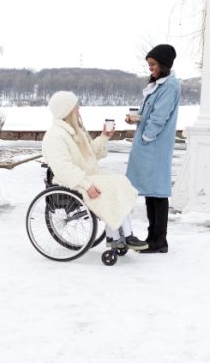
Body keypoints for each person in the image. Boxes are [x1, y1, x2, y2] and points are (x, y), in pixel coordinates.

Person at [42, 91, 147, 250]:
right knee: (110, 186)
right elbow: (63, 168)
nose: (78, 109)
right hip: (73, 182)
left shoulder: (75, 131)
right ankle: (123, 235)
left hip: (88, 176)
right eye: (75, 106)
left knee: (119, 181)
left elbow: (91, 154)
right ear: (67, 110)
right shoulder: (55, 136)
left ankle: (117, 236)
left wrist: (104, 136)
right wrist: (86, 185)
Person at [126, 44, 181, 253]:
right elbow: (151, 114)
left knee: (157, 192)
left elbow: (159, 118)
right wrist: (137, 119)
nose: (150, 68)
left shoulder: (169, 87)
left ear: (164, 64)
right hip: (150, 145)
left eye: (153, 65)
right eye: (149, 65)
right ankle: (153, 237)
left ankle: (159, 241)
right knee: (151, 192)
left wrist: (146, 136)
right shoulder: (159, 85)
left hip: (154, 146)